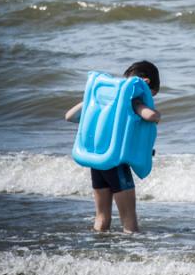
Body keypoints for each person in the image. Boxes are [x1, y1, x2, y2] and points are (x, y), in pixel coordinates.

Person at [65, 60, 161, 234]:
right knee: (129, 220)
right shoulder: (133, 101)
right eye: (152, 94)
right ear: (146, 84)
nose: (151, 99)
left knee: (101, 218)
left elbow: (69, 116)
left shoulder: (106, 102)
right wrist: (155, 113)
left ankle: (99, 252)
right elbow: (151, 115)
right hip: (116, 165)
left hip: (97, 164)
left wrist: (90, 99)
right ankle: (131, 256)